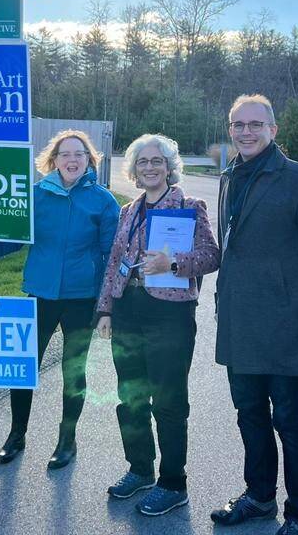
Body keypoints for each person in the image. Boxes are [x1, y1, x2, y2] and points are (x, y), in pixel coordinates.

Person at [210, 94, 298, 535]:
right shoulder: (229, 177)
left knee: (289, 419)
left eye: (255, 124)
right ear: (230, 129)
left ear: (273, 129)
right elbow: (230, 248)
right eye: (238, 124)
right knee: (249, 414)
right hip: (239, 323)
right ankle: (259, 497)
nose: (246, 132)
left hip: (285, 322)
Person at [0, 130, 119, 469]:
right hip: (40, 294)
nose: (72, 159)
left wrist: (107, 304)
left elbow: (111, 255)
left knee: (73, 371)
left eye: (79, 154)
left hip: (82, 298)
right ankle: (16, 435)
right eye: (65, 154)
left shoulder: (103, 201)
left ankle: (67, 440)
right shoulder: (35, 196)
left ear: (89, 160)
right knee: (22, 369)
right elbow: (14, 237)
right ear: (54, 160)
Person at [94, 133, 219, 516]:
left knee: (168, 401)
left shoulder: (188, 206)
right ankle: (140, 469)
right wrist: (105, 310)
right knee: (131, 397)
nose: (149, 167)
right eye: (143, 162)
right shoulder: (128, 211)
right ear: (134, 170)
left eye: (156, 161)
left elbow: (211, 256)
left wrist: (174, 263)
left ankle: (173, 483)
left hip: (169, 314)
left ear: (169, 167)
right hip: (128, 309)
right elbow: (115, 260)